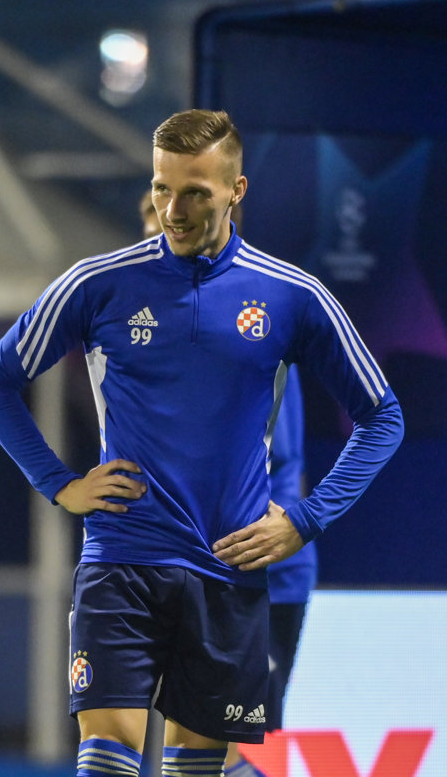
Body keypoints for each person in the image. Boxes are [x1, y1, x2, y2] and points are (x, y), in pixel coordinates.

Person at [0, 110, 403, 777]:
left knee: (196, 771)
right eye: (162, 188)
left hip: (226, 571)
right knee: (106, 761)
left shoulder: (292, 296)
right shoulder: (97, 283)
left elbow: (384, 415)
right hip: (122, 558)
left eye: (196, 191)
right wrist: (60, 482)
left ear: (238, 191)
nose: (173, 209)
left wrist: (307, 519)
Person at [141, 188, 318, 777]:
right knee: (187, 738)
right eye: (151, 231)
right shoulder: (144, 335)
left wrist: (279, 533)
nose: (161, 240)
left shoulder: (254, 323)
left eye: (169, 229)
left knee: (243, 744)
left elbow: (284, 460)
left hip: (257, 573)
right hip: (177, 566)